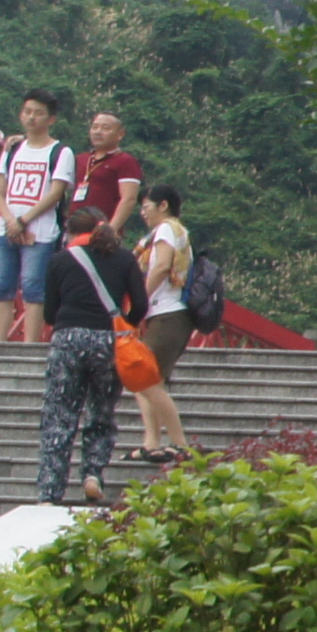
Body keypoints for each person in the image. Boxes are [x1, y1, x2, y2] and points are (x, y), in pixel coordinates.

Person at [32, 194, 137, 505]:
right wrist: (124, 323)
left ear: (72, 232)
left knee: (60, 415)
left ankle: (50, 490)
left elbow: (49, 313)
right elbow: (142, 304)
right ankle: (93, 474)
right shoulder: (125, 259)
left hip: (68, 339)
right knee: (101, 412)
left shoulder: (60, 260)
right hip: (108, 340)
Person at [0, 91, 75, 347]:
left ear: (51, 119)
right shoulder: (13, 149)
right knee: (1, 288)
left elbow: (56, 193)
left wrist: (23, 221)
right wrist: (10, 221)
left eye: (38, 113)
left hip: (40, 232)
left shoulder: (60, 152)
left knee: (33, 289)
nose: (31, 118)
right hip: (5, 230)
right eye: (27, 112)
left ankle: (29, 346)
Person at [125, 184, 197, 465]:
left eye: (146, 206)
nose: (143, 213)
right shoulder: (175, 230)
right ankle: (152, 442)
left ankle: (179, 443)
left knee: (145, 378)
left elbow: (161, 266)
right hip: (166, 314)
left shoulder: (167, 229)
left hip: (169, 313)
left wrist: (139, 301)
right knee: (145, 380)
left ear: (163, 205)